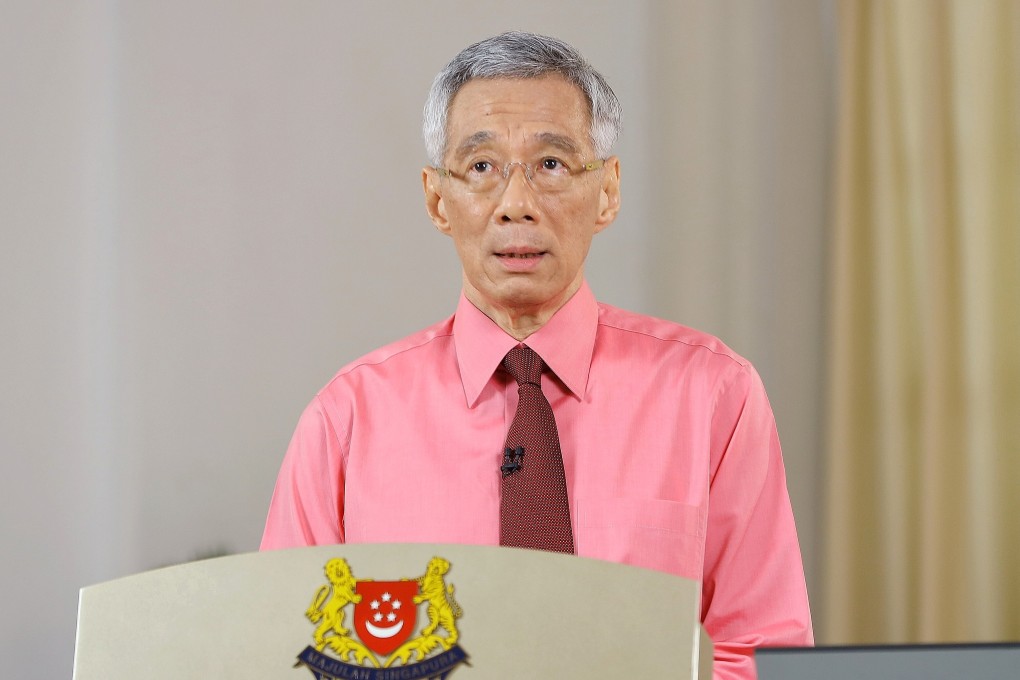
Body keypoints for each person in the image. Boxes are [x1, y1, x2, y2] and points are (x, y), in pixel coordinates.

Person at [261, 31, 812, 678]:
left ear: (607, 190)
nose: (516, 206)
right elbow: (282, 656)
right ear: (438, 199)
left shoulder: (712, 395)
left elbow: (759, 656)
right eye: (481, 168)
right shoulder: (348, 419)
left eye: (551, 164)